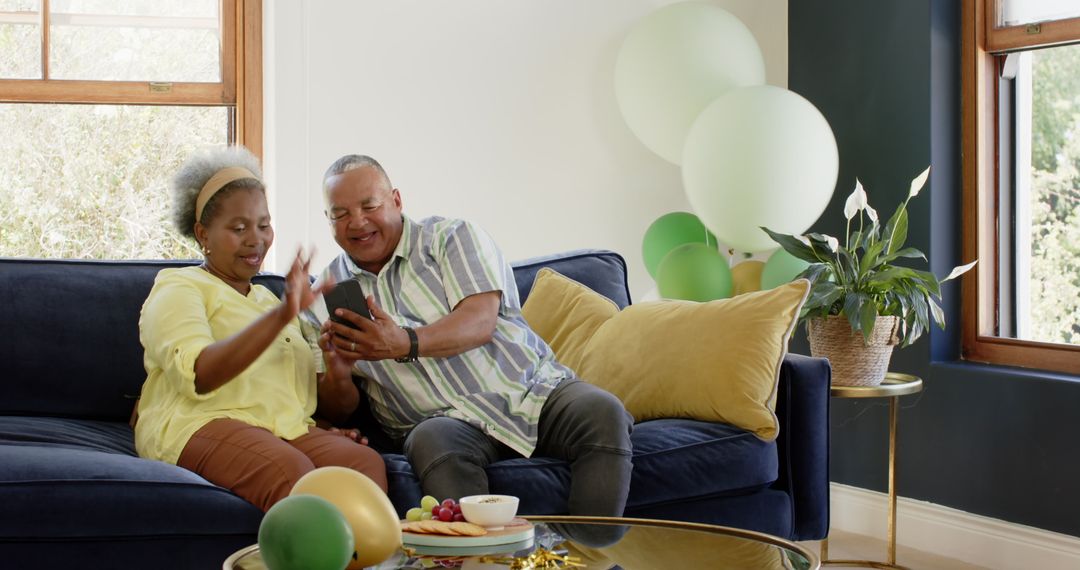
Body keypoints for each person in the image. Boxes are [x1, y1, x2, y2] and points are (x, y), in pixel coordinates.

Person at [312, 154, 633, 523]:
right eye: (340, 214)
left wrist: (405, 342)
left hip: (530, 391)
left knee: (602, 411)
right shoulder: (322, 298)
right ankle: (480, 554)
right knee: (433, 442)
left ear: (396, 200)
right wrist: (338, 372)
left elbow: (479, 321)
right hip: (439, 423)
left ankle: (590, 550)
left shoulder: (450, 238)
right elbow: (337, 410)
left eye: (369, 206)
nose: (357, 222)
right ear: (328, 220)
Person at [133, 146, 386, 512]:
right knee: (290, 472)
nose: (256, 239)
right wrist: (283, 314)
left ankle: (367, 549)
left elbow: (320, 405)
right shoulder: (179, 286)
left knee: (362, 465)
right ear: (203, 234)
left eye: (264, 225)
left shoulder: (270, 301)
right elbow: (199, 374)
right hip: (199, 424)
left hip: (281, 431)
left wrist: (338, 371)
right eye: (239, 228)